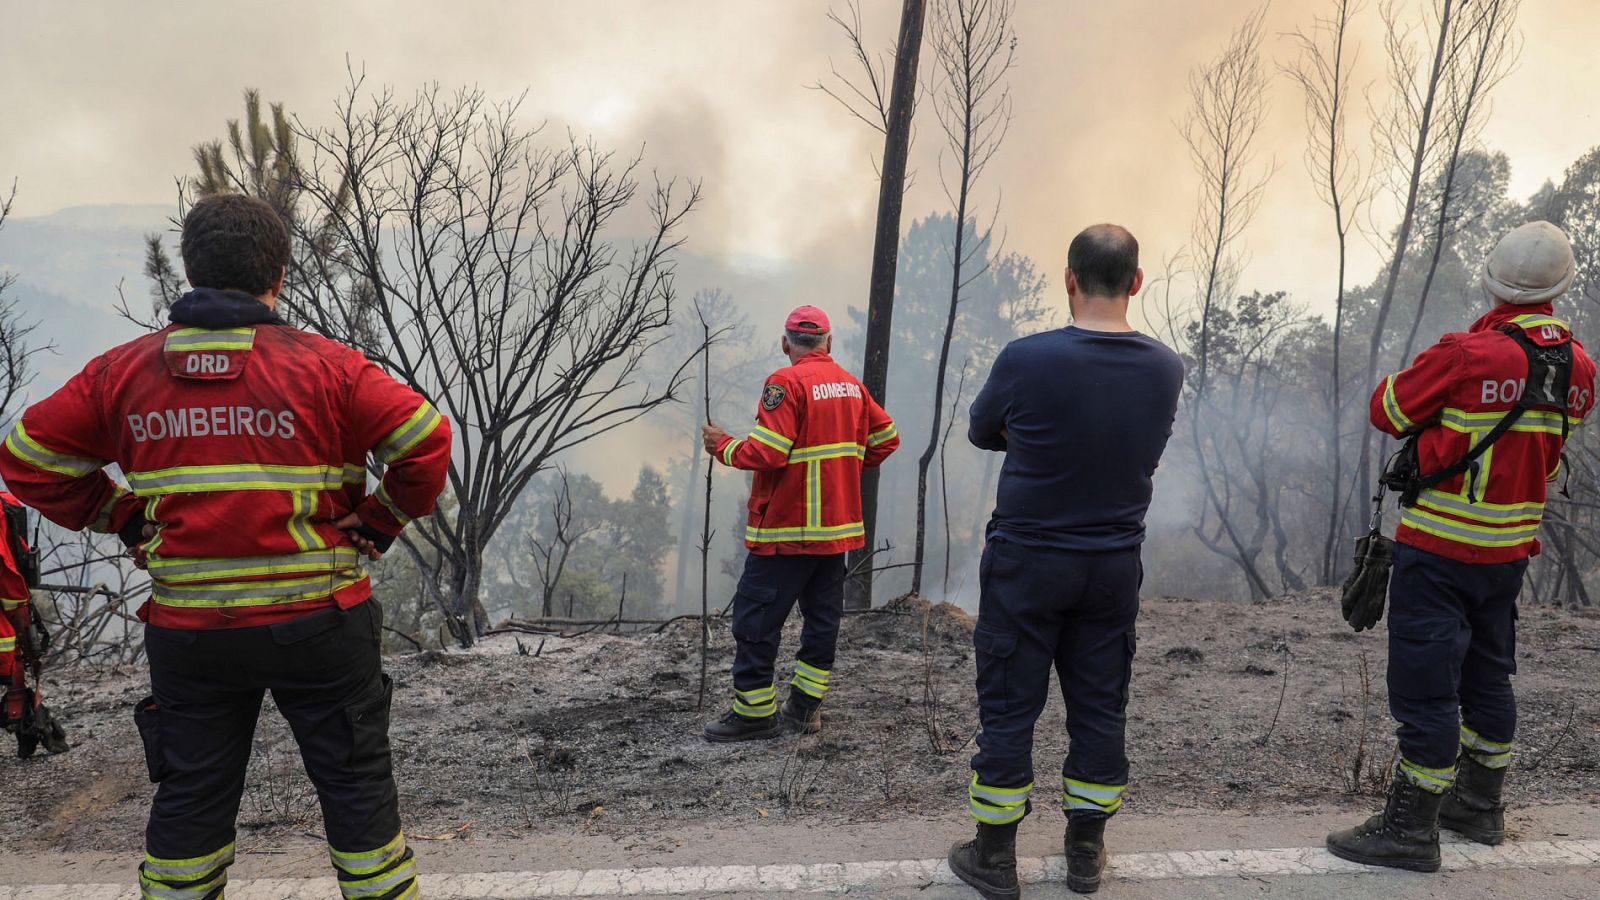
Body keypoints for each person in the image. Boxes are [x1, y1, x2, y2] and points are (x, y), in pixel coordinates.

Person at [0, 193, 450, 900]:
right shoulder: (328, 367)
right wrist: (382, 519)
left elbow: (27, 459)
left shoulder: (121, 373)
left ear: (188, 270)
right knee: (356, 788)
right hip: (320, 624)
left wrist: (122, 517)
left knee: (192, 796)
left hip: (192, 634)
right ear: (280, 274)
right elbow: (425, 441)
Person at [1327, 221, 1596, 872]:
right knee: (1488, 676)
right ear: (1560, 288)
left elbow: (1386, 409)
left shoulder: (1468, 354)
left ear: (1492, 280)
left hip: (1440, 551)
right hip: (1509, 556)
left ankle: (1410, 830)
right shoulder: (1581, 368)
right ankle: (1478, 805)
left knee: (1424, 688)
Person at [948, 224, 1183, 898]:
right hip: (1112, 568)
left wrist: (1032, 436)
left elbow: (981, 429)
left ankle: (995, 857)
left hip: (1027, 564)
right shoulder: (1166, 367)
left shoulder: (1026, 359)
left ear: (1069, 279)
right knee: (1101, 707)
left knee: (1009, 706)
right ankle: (1085, 853)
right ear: (1136, 282)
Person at [699, 305, 899, 742]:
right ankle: (806, 710)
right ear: (829, 342)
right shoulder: (851, 386)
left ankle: (754, 714)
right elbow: (887, 438)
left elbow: (767, 452)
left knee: (754, 621)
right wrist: (845, 470)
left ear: (785, 343)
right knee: (822, 623)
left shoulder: (785, 383)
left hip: (785, 533)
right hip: (834, 537)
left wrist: (723, 446)